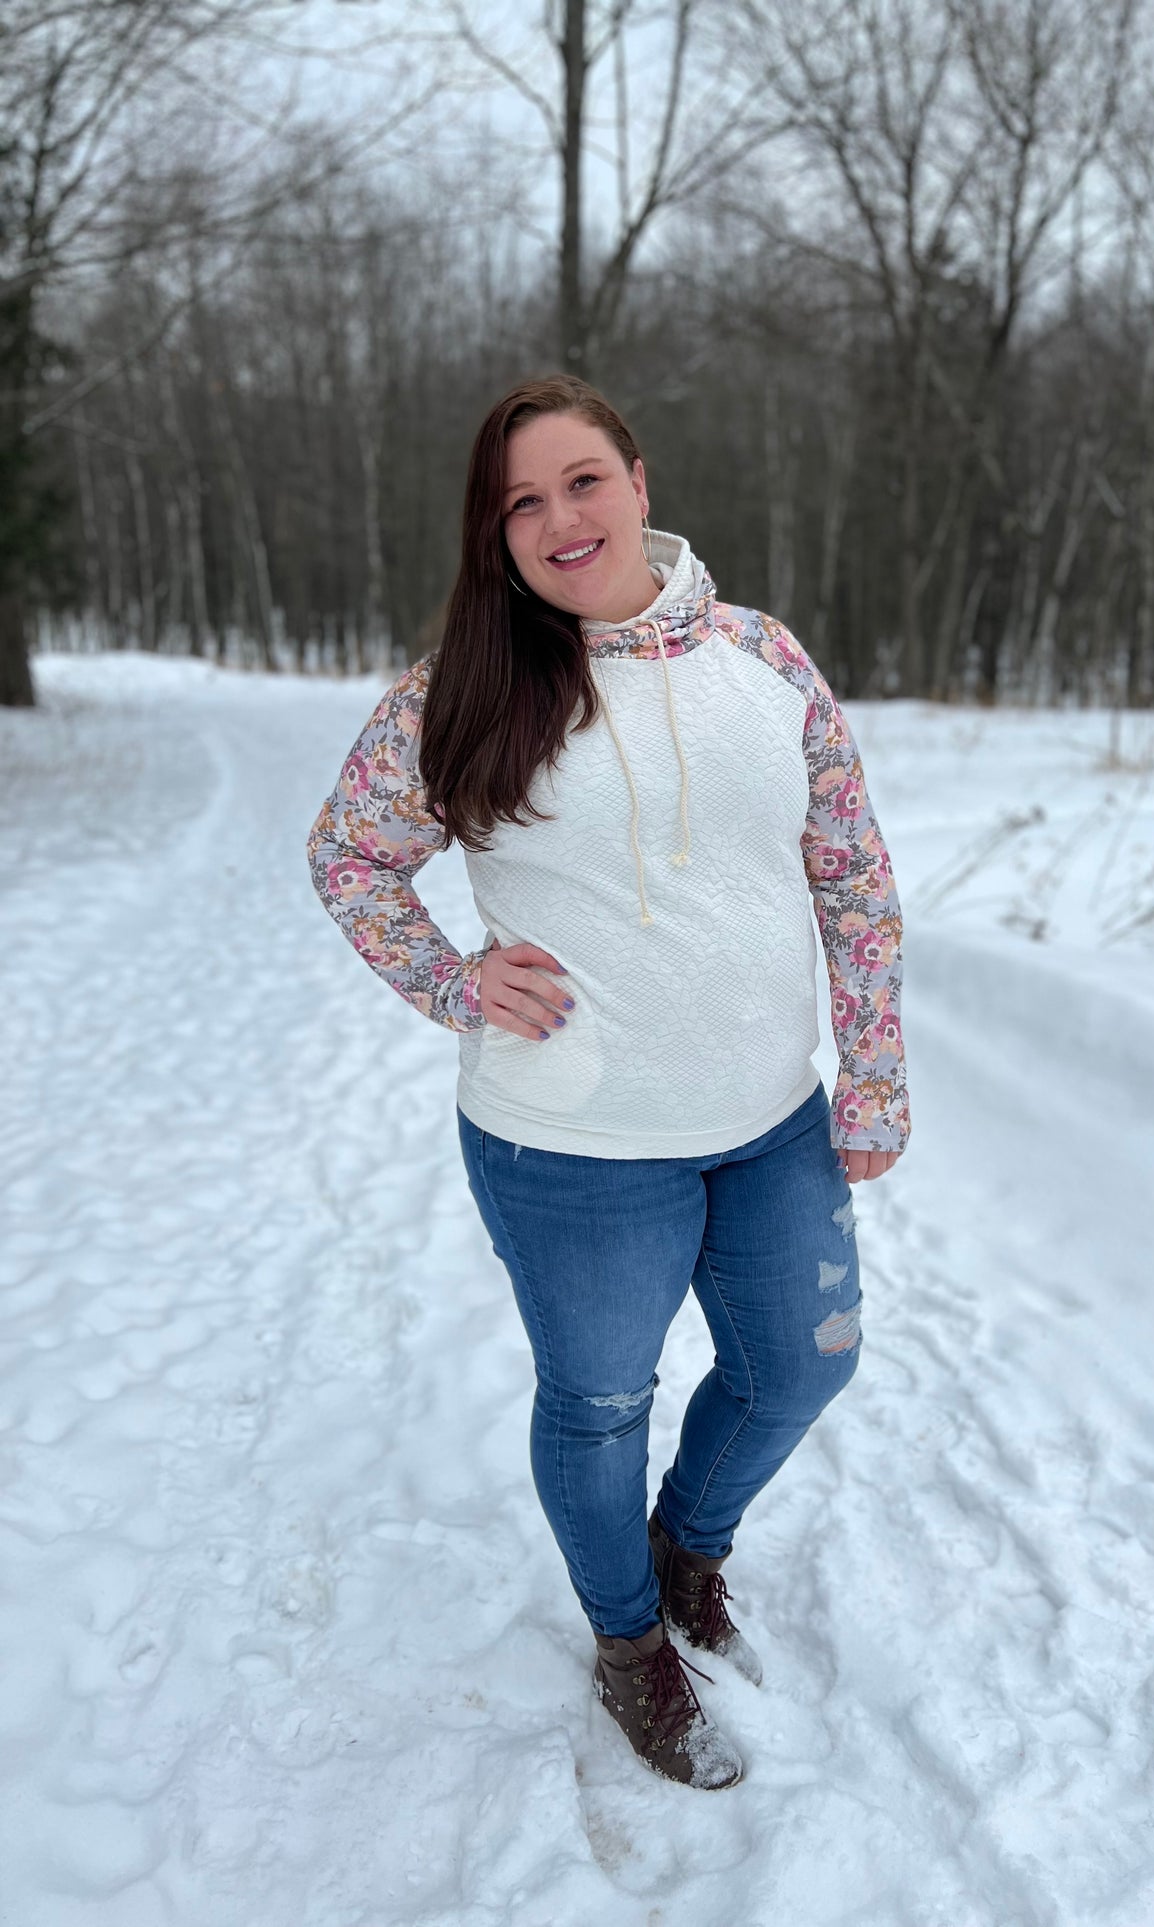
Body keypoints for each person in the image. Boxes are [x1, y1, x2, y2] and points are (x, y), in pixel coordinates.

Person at [306, 373, 910, 1790]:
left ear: (638, 481)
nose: (558, 518)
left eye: (581, 480)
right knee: (597, 1403)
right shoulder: (457, 696)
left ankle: (686, 1544)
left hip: (769, 1123)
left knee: (800, 1369)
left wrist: (870, 1072)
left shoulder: (765, 660)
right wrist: (456, 981)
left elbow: (852, 874)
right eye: (521, 501)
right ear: (495, 535)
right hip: (569, 1142)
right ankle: (628, 1640)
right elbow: (347, 859)